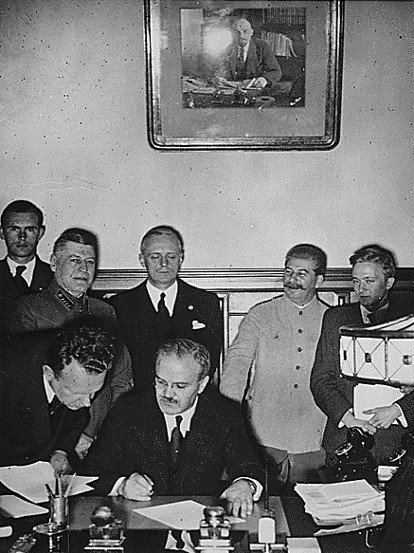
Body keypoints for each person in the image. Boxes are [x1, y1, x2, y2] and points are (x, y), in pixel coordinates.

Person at [83, 338, 263, 519]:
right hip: (141, 529)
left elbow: (250, 466)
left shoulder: (223, 414)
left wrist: (245, 484)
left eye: (180, 386)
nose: (168, 394)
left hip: (199, 526)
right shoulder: (128, 411)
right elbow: (90, 471)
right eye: (161, 382)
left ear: (201, 385)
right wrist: (121, 485)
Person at [4, 228, 132, 458]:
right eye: (75, 260)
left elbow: (120, 379)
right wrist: (66, 442)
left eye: (90, 262)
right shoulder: (29, 309)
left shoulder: (105, 311)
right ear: (53, 262)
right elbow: (27, 385)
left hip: (96, 437)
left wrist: (92, 432)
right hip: (45, 441)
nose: (83, 269)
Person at [220, 244, 328, 486]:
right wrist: (229, 416)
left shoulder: (330, 319)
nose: (292, 280)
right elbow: (237, 365)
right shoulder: (260, 315)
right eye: (288, 272)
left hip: (314, 435)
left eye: (302, 274)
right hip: (264, 433)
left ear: (318, 280)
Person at [311, 244, 414, 465]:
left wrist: (398, 410)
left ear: (389, 283)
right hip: (345, 440)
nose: (361, 289)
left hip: (399, 441)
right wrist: (348, 418)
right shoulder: (335, 319)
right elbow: (320, 380)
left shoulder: (410, 320)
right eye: (356, 281)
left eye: (369, 281)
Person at [108, 225, 223, 391]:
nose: (164, 264)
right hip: (136, 403)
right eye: (155, 257)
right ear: (142, 260)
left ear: (181, 258)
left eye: (171, 256)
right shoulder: (119, 306)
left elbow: (210, 360)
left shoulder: (206, 303)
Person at [0, 322, 115, 475]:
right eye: (78, 393)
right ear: (49, 373)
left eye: (93, 392)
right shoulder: (8, 377)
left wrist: (62, 450)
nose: (88, 402)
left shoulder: (89, 372)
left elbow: (76, 415)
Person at [0, 200, 52, 303]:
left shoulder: (54, 278)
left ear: (40, 233)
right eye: (14, 229)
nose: (22, 237)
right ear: (2, 233)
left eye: (30, 229)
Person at [219, 18, 282, 89]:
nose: (241, 36)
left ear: (251, 32)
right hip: (230, 91)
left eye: (245, 31)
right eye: (238, 32)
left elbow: (276, 71)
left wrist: (265, 80)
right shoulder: (227, 47)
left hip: (255, 93)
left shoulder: (262, 46)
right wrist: (218, 79)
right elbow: (216, 70)